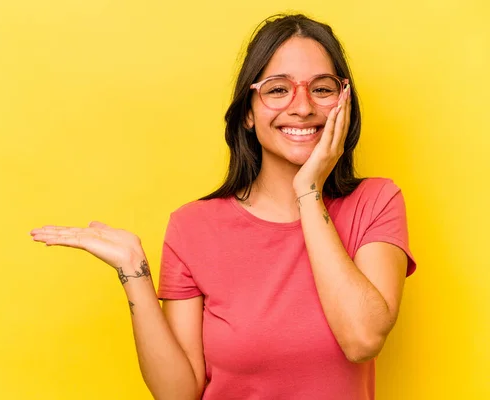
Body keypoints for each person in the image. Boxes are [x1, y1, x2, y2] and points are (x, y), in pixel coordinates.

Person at [30, 13, 416, 400]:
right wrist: (135, 272)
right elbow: (178, 394)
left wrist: (308, 191)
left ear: (344, 102)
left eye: (322, 88)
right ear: (248, 112)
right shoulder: (192, 226)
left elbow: (362, 340)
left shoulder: (376, 203)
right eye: (278, 90)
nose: (302, 107)